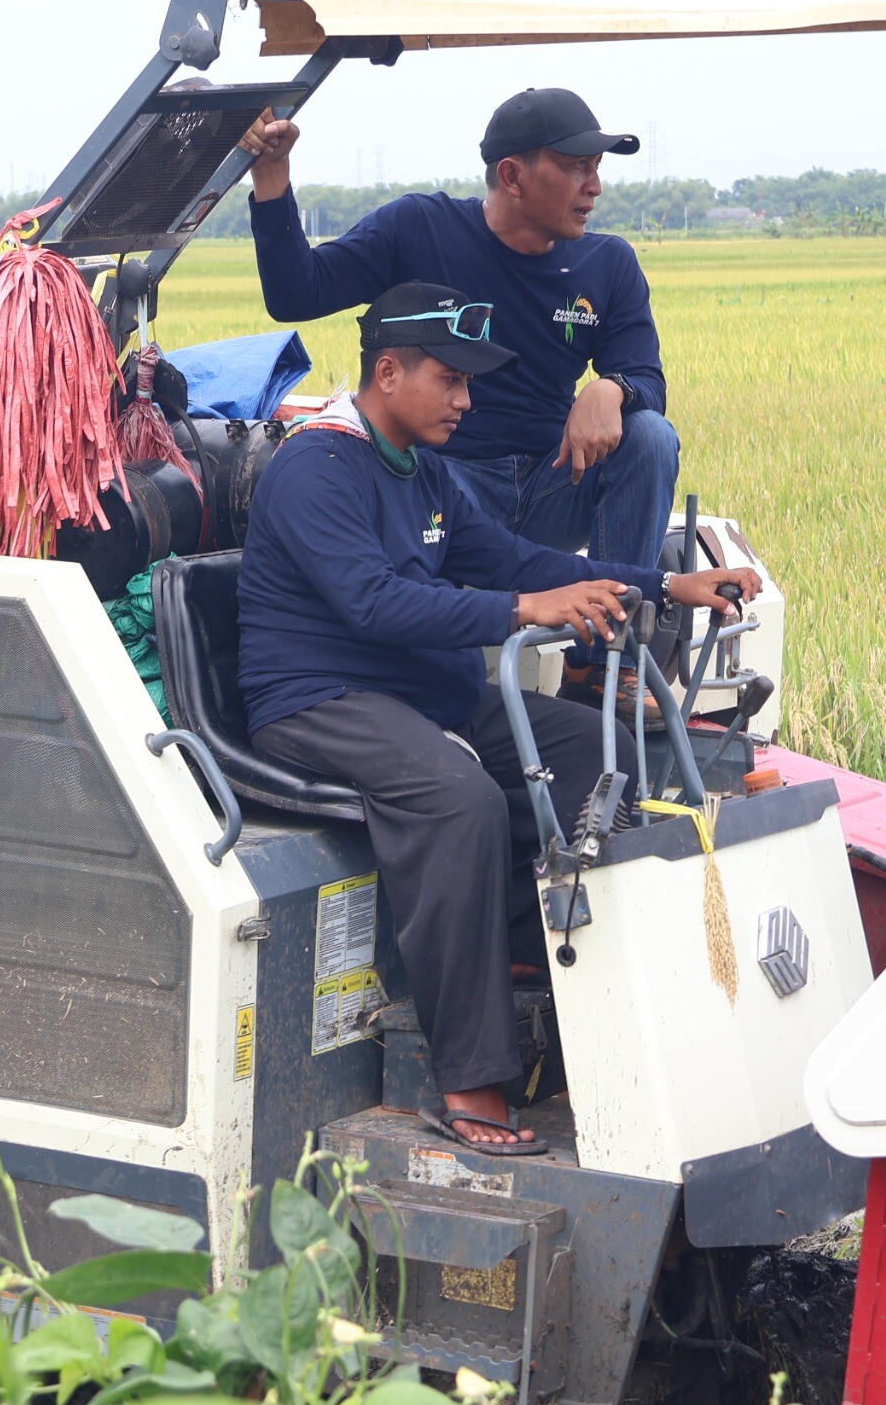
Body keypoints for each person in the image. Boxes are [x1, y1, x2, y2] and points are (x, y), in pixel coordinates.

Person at [238, 283, 755, 1155]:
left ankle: (531, 956)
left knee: (601, 754)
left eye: (469, 383)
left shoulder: (423, 469)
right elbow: (372, 602)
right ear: (388, 372)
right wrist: (522, 610)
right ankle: (470, 1077)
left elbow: (512, 558)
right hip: (320, 697)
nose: (466, 401)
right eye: (450, 379)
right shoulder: (315, 467)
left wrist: (664, 583)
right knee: (460, 800)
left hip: (418, 693)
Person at [241, 89, 677, 580]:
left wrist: (613, 388)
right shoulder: (419, 228)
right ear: (512, 176)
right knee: (411, 478)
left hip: (555, 480)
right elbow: (298, 295)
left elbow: (647, 380)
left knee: (650, 436)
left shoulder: (608, 264)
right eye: (579, 167)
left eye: (596, 168)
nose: (595, 187)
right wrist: (271, 175)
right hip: (446, 484)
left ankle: (616, 624)